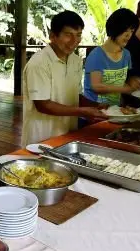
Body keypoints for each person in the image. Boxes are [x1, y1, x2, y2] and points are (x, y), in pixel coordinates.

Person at [21, 10, 107, 148]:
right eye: (68, 35)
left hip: (68, 134)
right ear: (53, 36)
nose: (74, 41)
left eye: (78, 35)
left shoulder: (76, 61)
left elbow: (75, 95)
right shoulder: (39, 63)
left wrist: (96, 106)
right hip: (41, 138)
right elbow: (43, 105)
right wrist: (83, 111)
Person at [83, 8, 140, 106]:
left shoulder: (126, 55)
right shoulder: (96, 55)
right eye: (125, 30)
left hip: (114, 110)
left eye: (132, 31)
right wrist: (126, 89)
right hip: (93, 111)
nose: (128, 35)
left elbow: (119, 82)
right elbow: (96, 87)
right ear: (114, 28)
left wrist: (133, 82)